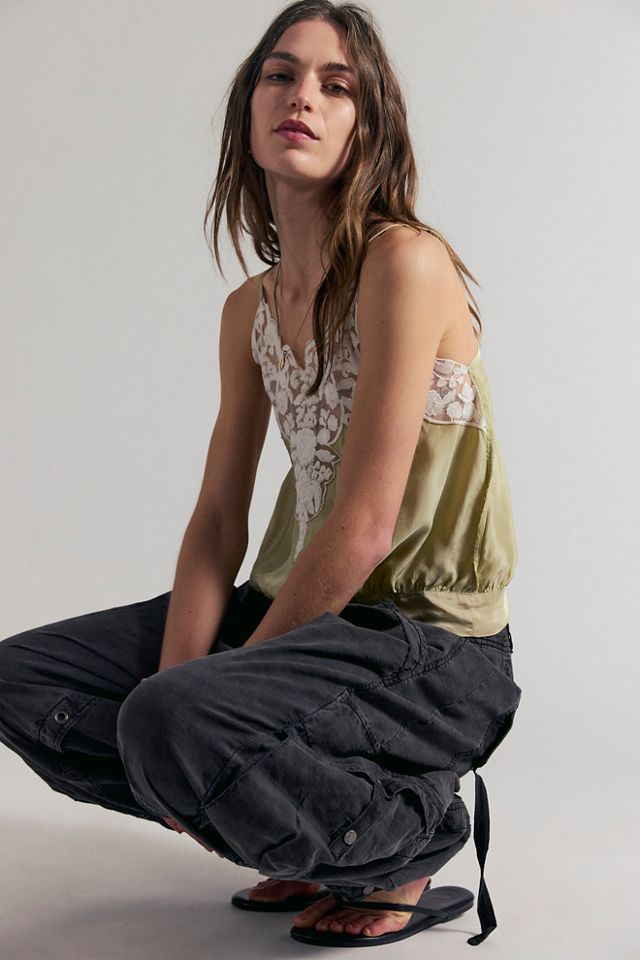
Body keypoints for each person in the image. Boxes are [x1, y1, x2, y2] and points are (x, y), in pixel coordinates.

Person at [0, 0, 522, 949]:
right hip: (304, 611)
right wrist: (181, 699)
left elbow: (364, 525)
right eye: (280, 75)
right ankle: (311, 823)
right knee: (22, 680)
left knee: (173, 718)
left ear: (370, 125)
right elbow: (216, 523)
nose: (302, 98)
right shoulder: (249, 309)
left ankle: (409, 839)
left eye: (336, 86)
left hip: (429, 646)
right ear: (248, 109)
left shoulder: (405, 263)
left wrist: (198, 709)